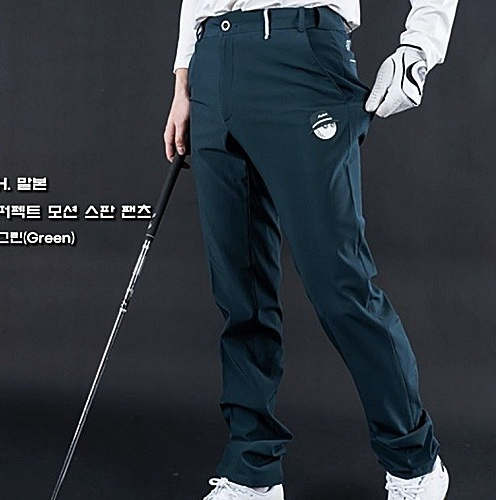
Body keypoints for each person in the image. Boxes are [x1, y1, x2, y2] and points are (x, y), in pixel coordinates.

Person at [164, 1, 458, 499]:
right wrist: (184, 83)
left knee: (339, 285)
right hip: (212, 60)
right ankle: (252, 472)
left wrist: (419, 49)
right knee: (239, 294)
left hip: (301, 54)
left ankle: (415, 463)